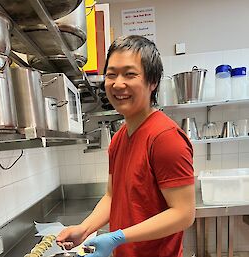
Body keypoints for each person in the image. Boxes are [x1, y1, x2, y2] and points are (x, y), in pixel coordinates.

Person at [56, 35, 195, 257]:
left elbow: (183, 213)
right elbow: (112, 196)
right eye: (111, 75)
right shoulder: (119, 138)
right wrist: (84, 229)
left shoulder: (165, 138)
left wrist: (118, 237)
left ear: (152, 82)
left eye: (130, 74)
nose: (118, 84)